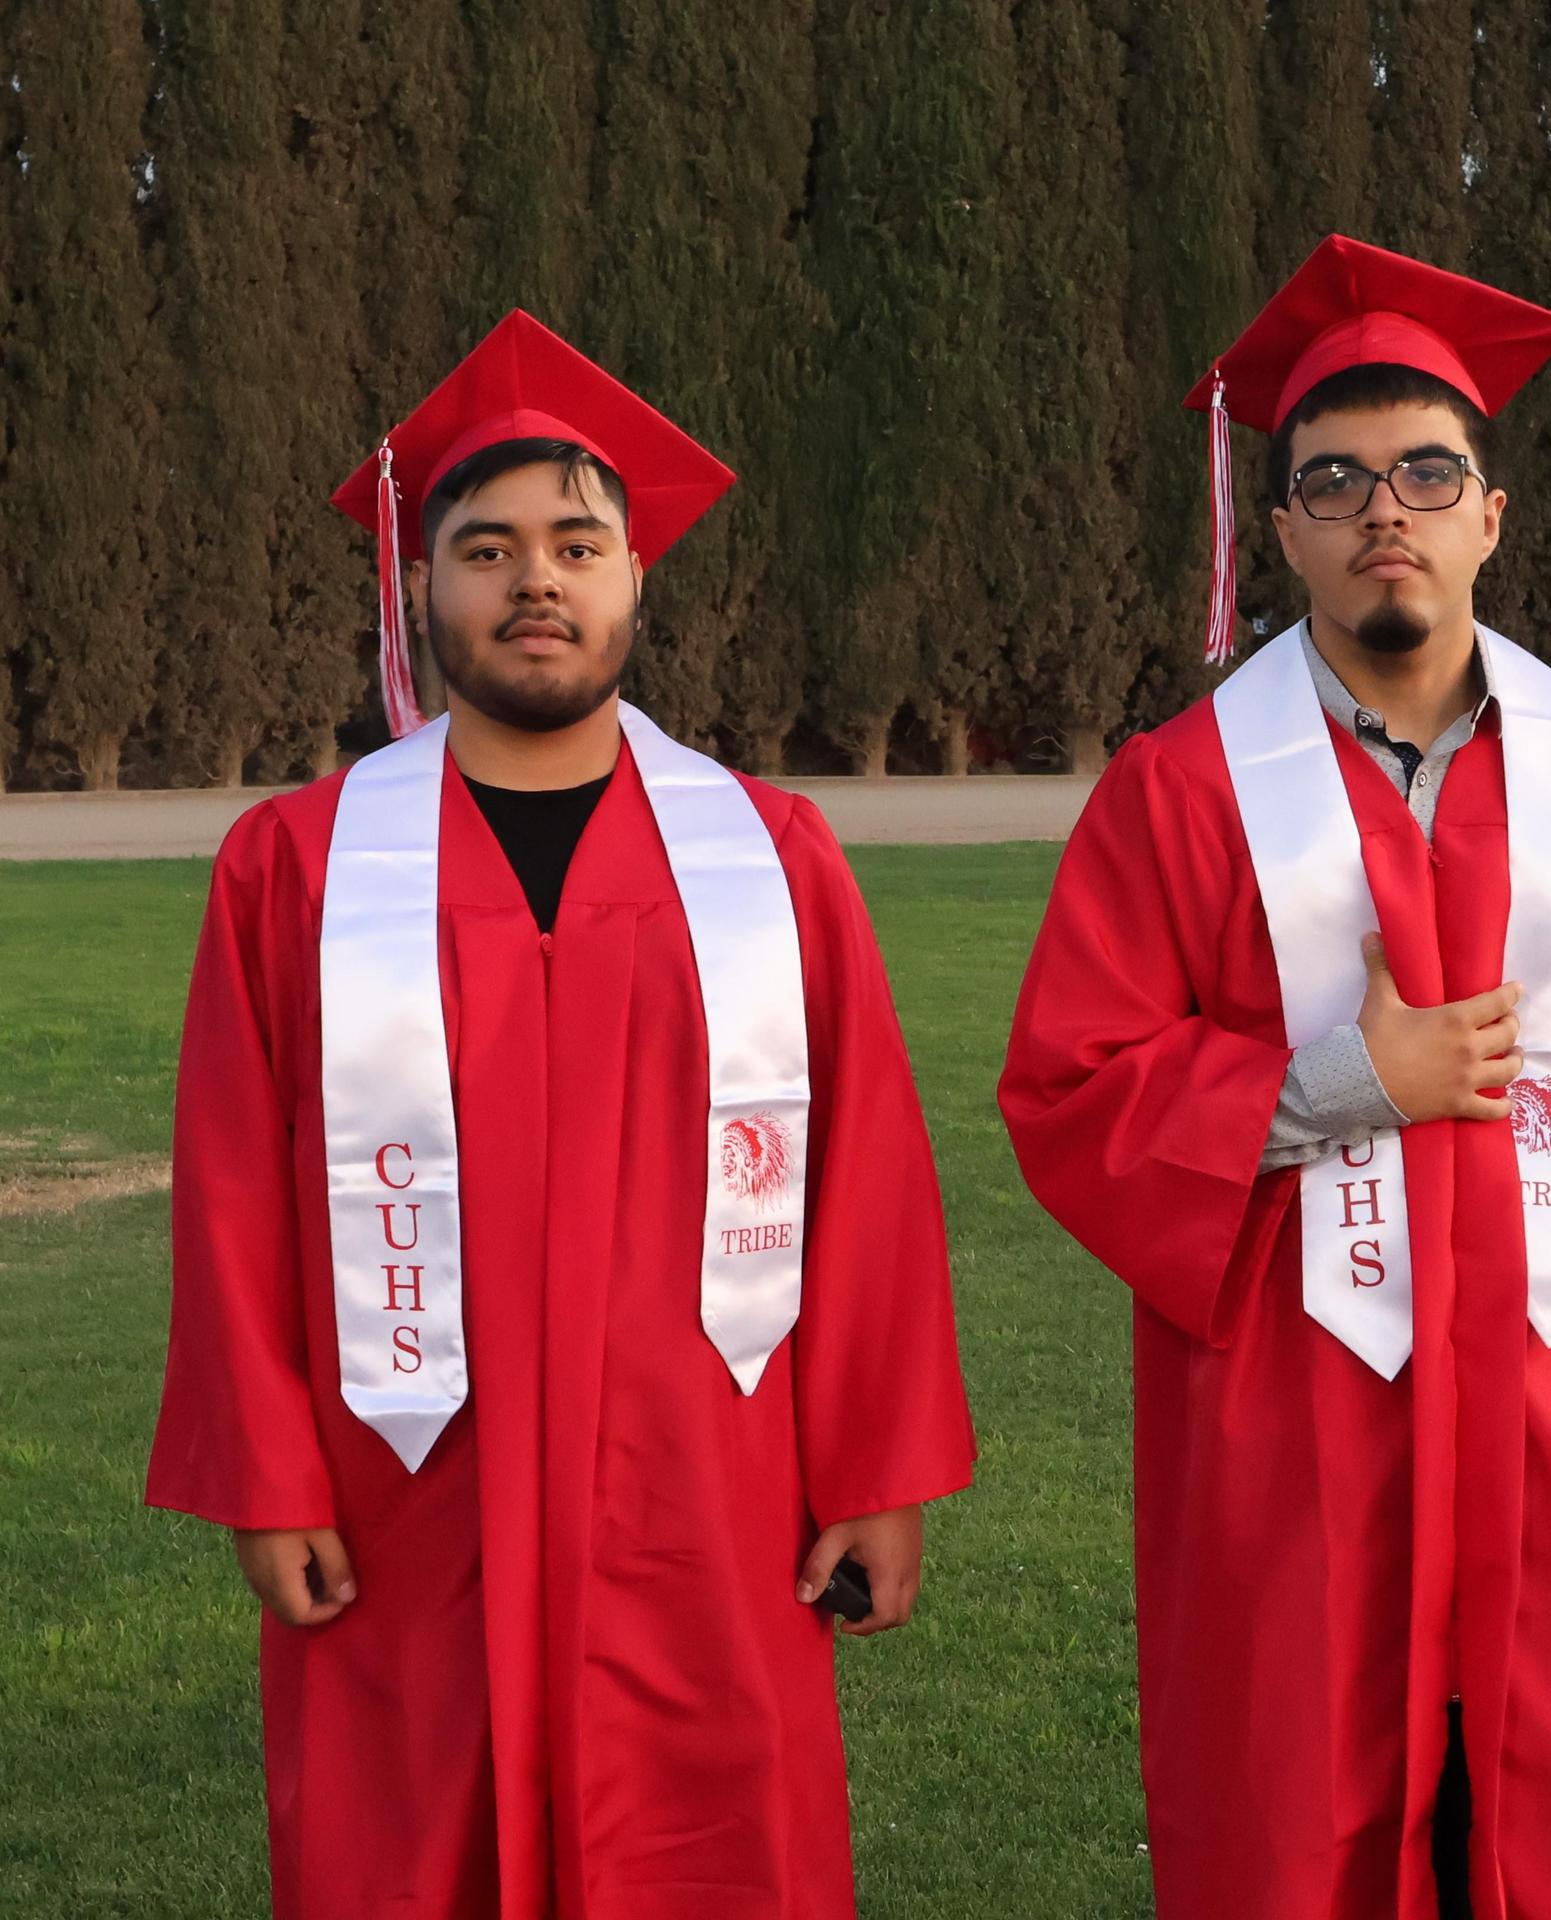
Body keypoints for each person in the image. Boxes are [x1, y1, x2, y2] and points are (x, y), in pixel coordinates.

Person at [998, 236, 1551, 1920]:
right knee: (1295, 1827)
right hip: (1291, 1441)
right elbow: (1072, 1092)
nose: (1388, 509)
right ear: (1284, 528)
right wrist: (1338, 1082)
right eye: (1337, 480)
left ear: (1488, 516)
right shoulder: (1179, 794)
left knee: (1550, 1832)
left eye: (1428, 473)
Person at [147, 311, 975, 1919]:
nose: (536, 580)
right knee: (411, 1835)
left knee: (707, 1830)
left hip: (706, 1483)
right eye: (486, 547)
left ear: (632, 580)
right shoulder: (299, 870)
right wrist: (269, 1474)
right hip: (401, 1488)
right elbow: (231, 1187)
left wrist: (876, 1466)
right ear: (424, 586)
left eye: (576, 544)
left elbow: (863, 1175)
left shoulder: (770, 856)